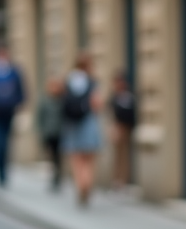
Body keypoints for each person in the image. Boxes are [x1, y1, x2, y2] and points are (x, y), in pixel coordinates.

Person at [61, 53, 102, 207]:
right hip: (88, 123)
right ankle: (87, 185)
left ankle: (80, 185)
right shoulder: (92, 82)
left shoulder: (68, 81)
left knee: (76, 160)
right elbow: (97, 104)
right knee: (89, 160)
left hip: (71, 125)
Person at [0, 43, 27, 188]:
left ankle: (4, 172)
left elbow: (21, 90)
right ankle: (0, 172)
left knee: (7, 143)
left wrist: (19, 104)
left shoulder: (14, 70)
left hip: (9, 112)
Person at [35, 77, 65, 192]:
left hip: (59, 132)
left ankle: (58, 178)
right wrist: (40, 130)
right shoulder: (45, 101)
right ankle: (52, 177)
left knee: (58, 156)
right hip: (48, 133)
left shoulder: (61, 100)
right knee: (50, 156)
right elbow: (40, 117)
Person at [109, 70, 137, 190]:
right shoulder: (114, 97)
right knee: (118, 156)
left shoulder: (129, 96)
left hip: (127, 128)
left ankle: (124, 180)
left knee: (125, 155)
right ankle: (117, 180)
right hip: (118, 128)